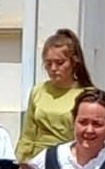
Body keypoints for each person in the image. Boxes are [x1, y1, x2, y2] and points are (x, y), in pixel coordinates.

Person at [15, 28, 95, 161]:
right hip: (38, 161)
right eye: (48, 63)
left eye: (59, 63)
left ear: (73, 62)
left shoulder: (87, 95)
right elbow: (27, 136)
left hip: (70, 161)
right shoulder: (38, 91)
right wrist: (19, 163)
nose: (53, 68)